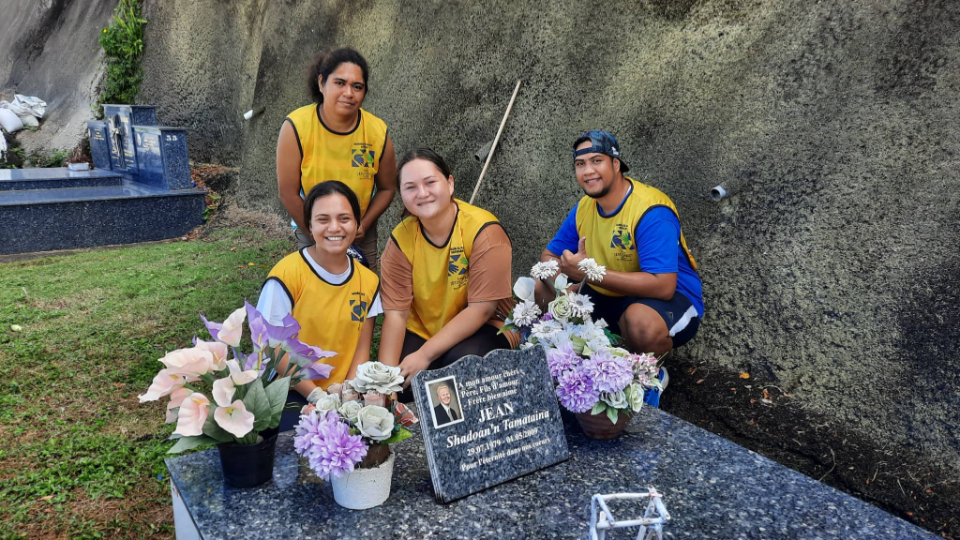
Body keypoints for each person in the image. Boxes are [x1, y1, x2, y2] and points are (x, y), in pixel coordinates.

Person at [536, 130, 704, 397]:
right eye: (580, 164)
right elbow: (548, 256)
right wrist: (561, 285)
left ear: (616, 164)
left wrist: (587, 273)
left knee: (640, 322)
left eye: (596, 161)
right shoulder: (583, 208)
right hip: (608, 294)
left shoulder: (650, 210)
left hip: (668, 302)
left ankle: (650, 373)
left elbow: (663, 287)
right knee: (540, 288)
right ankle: (580, 366)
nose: (588, 171)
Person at [378, 148, 519, 392]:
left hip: (489, 326)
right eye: (410, 187)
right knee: (402, 386)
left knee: (459, 373)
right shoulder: (400, 241)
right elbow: (396, 315)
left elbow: (482, 310)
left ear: (450, 183)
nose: (422, 193)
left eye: (430, 182)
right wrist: (384, 382)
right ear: (401, 194)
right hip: (424, 329)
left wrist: (424, 355)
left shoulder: (483, 230)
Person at [257, 181, 382, 431]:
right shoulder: (287, 274)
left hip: (339, 392)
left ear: (357, 224)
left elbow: (361, 348)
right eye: (323, 219)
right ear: (310, 226)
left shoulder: (369, 281)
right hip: (290, 388)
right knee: (302, 447)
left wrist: (348, 394)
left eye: (344, 218)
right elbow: (273, 346)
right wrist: (316, 397)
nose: (334, 227)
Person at [276, 47, 397, 268]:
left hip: (360, 231)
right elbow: (288, 192)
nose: (349, 93)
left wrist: (363, 224)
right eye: (340, 83)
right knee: (318, 292)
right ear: (322, 83)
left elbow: (388, 188)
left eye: (357, 87)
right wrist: (317, 231)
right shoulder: (296, 126)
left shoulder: (377, 132)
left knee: (361, 294)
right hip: (313, 227)